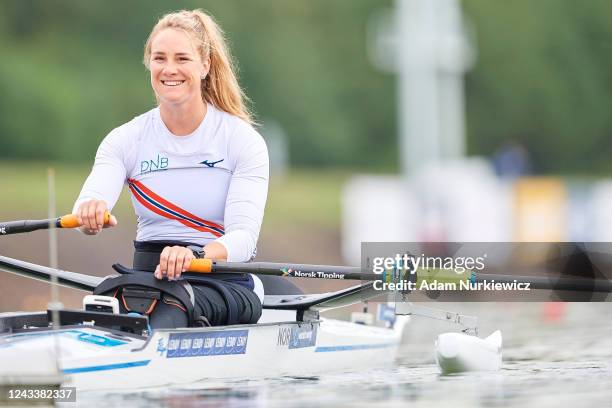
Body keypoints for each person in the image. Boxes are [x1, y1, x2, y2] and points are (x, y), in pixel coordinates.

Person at [73, 9, 280, 328]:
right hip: (148, 281)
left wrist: (197, 255)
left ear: (205, 65)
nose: (169, 69)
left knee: (169, 311)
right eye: (160, 58)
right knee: (102, 308)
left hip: (221, 281)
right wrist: (89, 213)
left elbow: (243, 239)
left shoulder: (241, 141)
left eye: (182, 58)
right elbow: (94, 194)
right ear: (149, 64)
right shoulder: (125, 139)